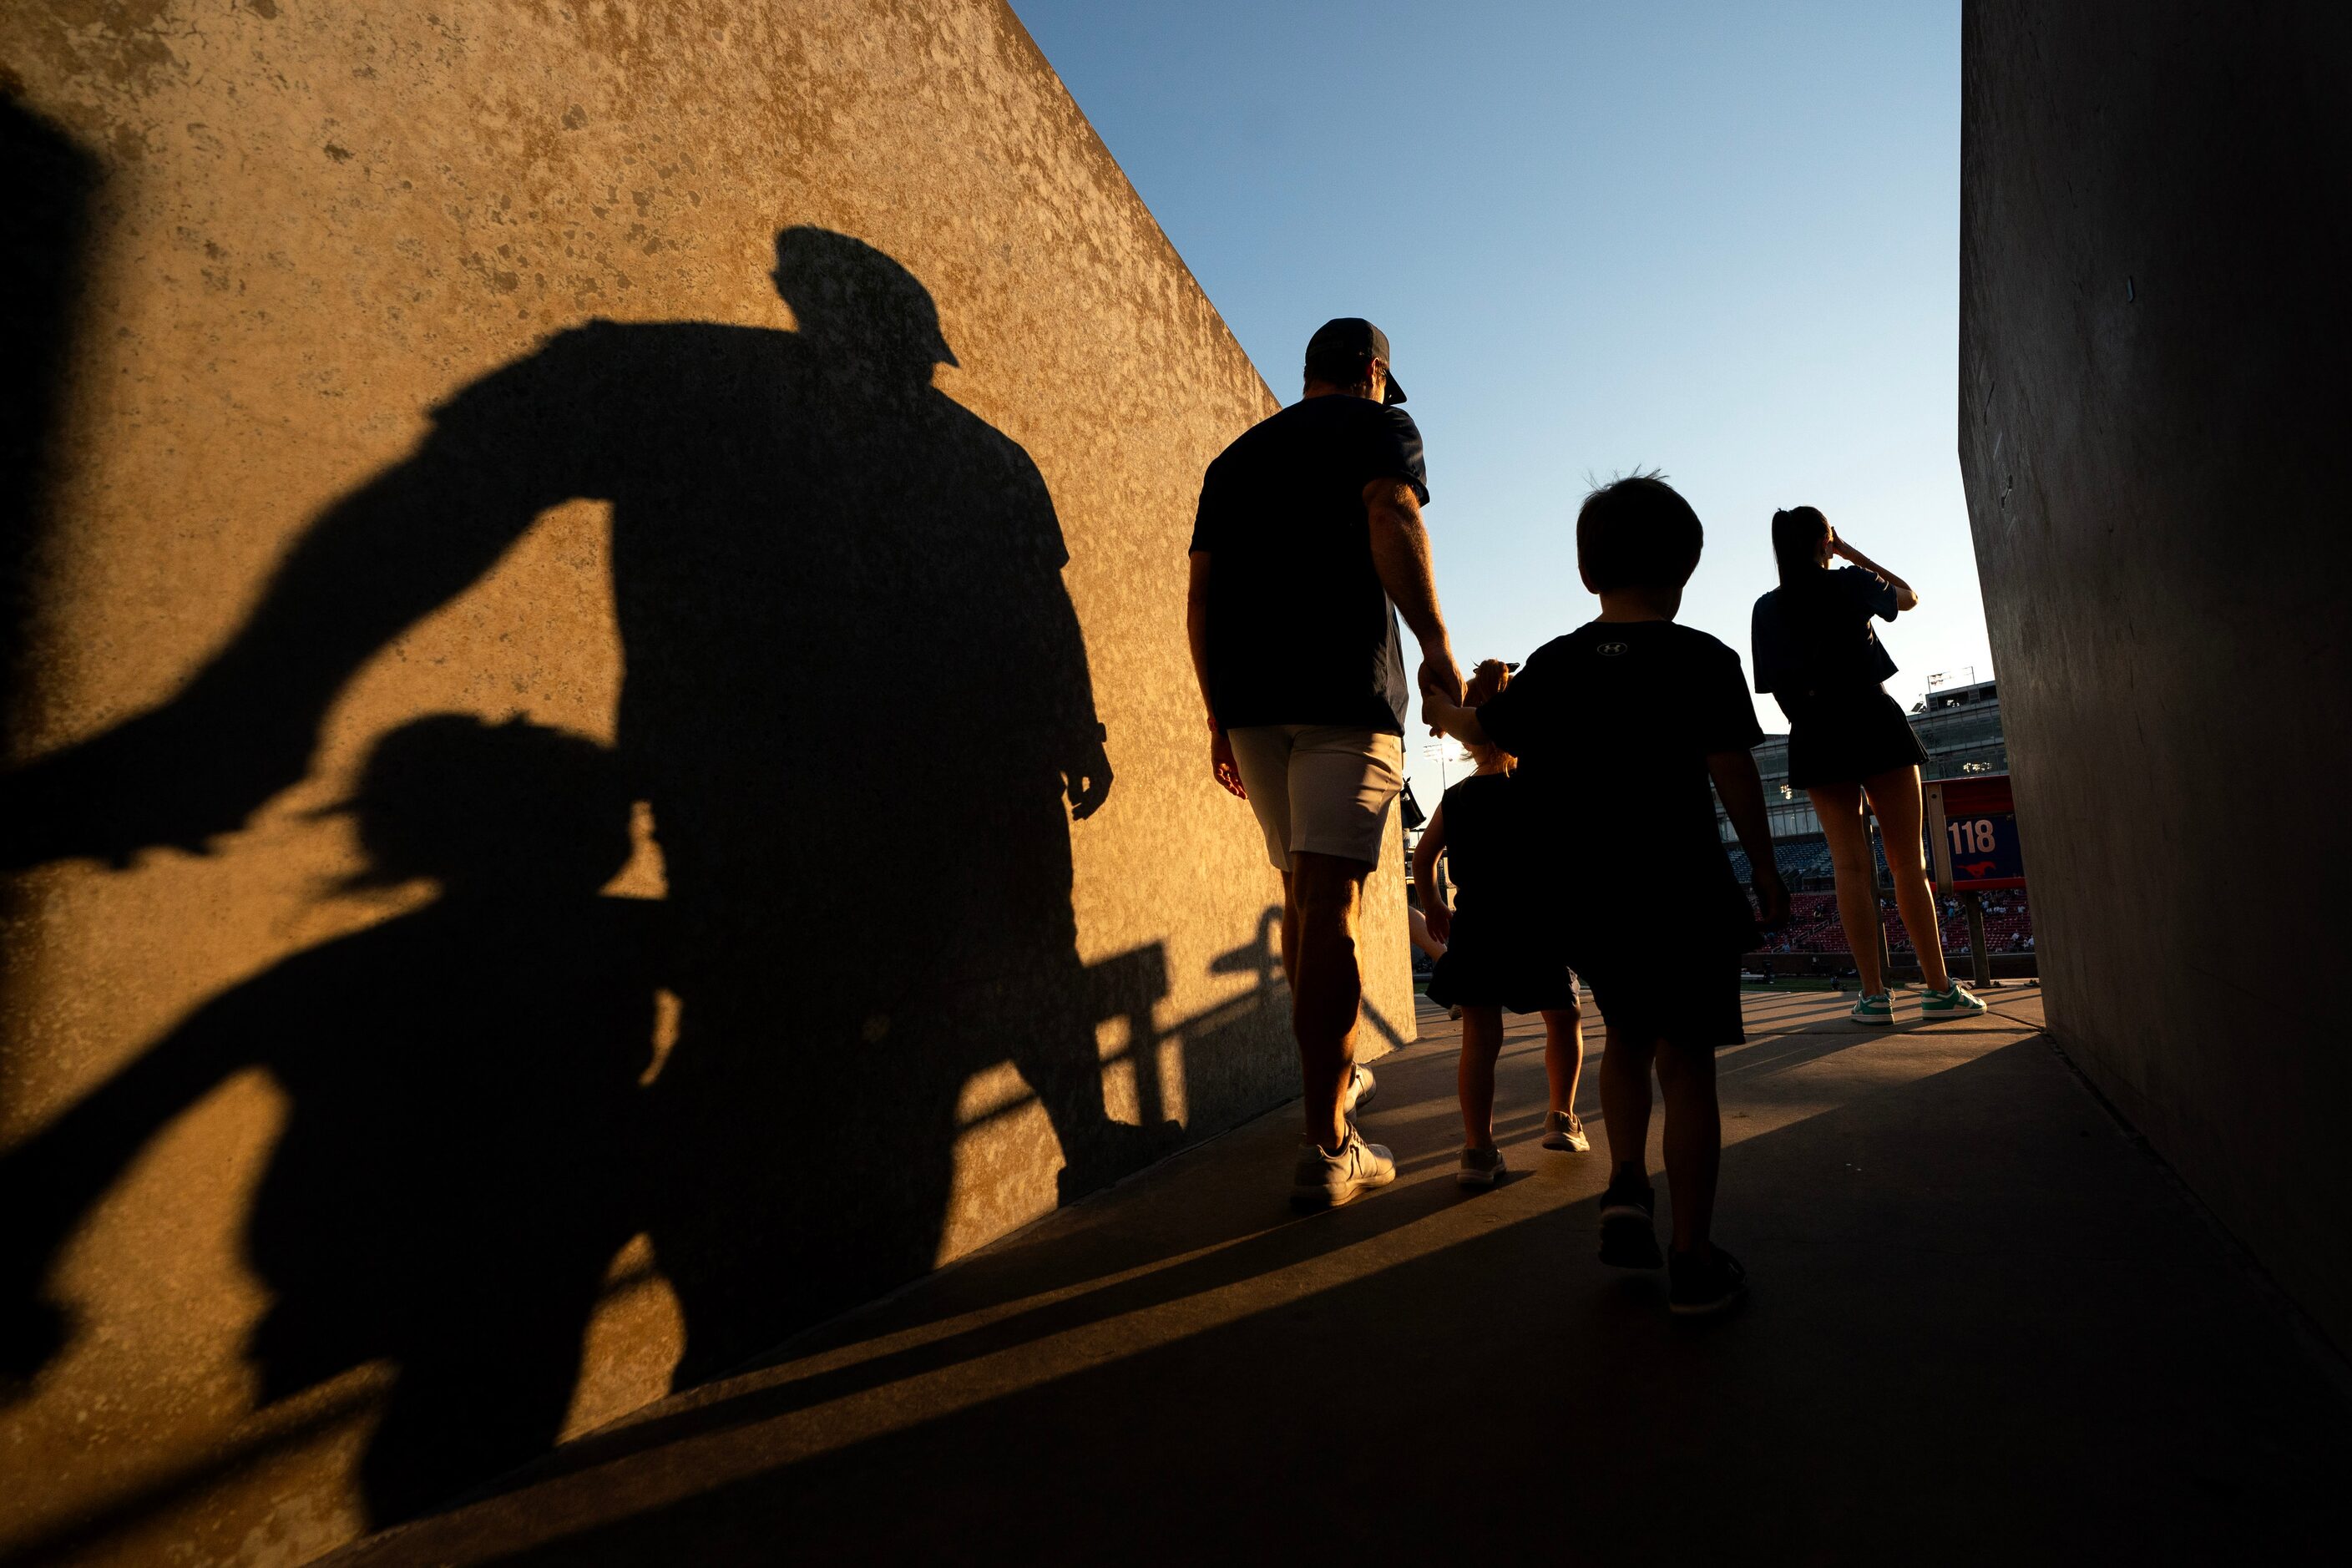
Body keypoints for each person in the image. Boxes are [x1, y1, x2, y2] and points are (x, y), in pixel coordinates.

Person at [1421, 474, 1786, 1315]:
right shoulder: (1704, 658)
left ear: (1589, 573)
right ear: (1684, 568)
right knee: (1687, 1065)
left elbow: (1481, 730)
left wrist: (1442, 701)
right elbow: (1732, 769)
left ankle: (1625, 1183)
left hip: (1585, 899)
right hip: (1682, 888)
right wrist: (1762, 869)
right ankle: (1692, 1259)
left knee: (1625, 1035)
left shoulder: (1552, 665)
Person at [1188, 317, 1462, 1209]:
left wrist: (1217, 715)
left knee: (1298, 901)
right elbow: (1390, 512)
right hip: (1346, 693)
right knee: (1327, 906)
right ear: (1374, 374)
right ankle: (1327, 1146)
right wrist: (1434, 646)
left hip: (1254, 706)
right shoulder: (1378, 428)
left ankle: (1332, 1092)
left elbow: (1203, 596)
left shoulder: (1235, 459)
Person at [1750, 507, 1987, 1024]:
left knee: (1849, 868)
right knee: (1907, 864)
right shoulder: (1850, 582)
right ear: (1823, 540)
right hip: (1871, 717)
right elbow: (1908, 596)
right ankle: (1939, 989)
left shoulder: (1766, 608)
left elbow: (1775, 687)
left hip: (1814, 729)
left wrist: (1811, 718)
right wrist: (1850, 554)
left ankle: (1874, 996)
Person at [1412, 659, 1589, 1190]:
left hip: (1480, 920)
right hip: (1536, 918)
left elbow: (1423, 857)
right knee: (1564, 1016)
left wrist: (1436, 904)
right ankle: (1562, 1117)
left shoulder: (1458, 797)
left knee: (1479, 1038)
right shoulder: (1538, 784)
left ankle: (1478, 1149)